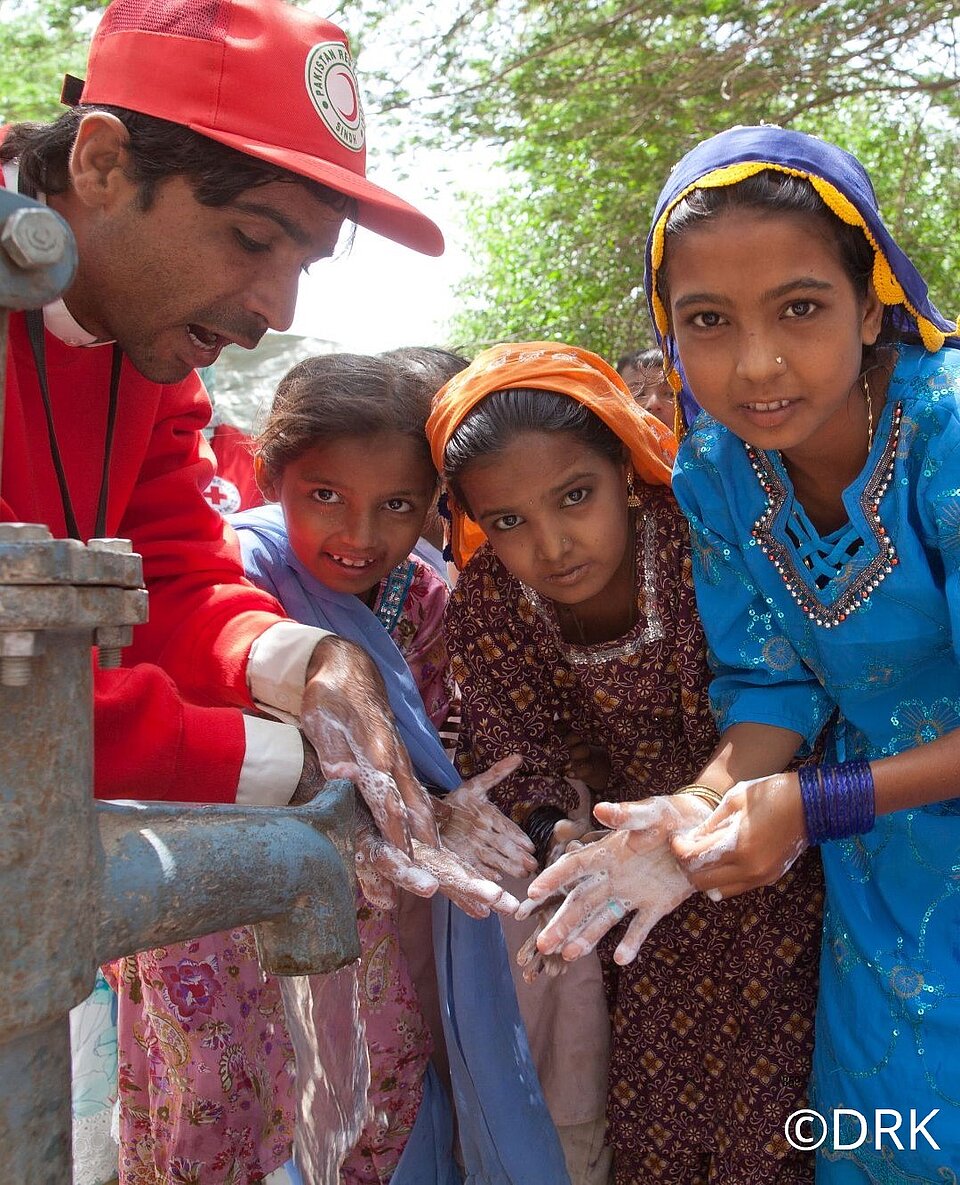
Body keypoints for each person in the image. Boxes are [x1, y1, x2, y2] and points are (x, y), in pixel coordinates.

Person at [426, 341, 823, 1184]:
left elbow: (778, 687)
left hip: (773, 854)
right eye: (508, 521)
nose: (553, 543)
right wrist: (557, 827)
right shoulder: (492, 601)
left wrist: (683, 812)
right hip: (627, 893)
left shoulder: (694, 540)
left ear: (624, 463)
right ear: (471, 520)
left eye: (576, 497)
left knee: (787, 1117)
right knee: (655, 1116)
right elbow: (514, 749)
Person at [229, 351, 569, 1184]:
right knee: (234, 1112)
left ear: (433, 504)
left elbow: (426, 744)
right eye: (325, 496)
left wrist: (445, 801)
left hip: (375, 916)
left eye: (396, 505)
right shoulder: (235, 575)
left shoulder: (424, 593)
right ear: (274, 475)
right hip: (224, 923)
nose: (359, 534)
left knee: (378, 1105)